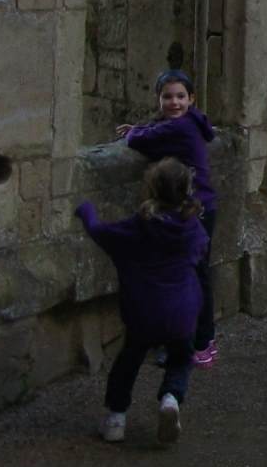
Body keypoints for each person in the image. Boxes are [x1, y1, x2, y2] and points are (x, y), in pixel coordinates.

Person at [75, 158, 210, 446]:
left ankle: (116, 418)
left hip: (144, 310)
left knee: (129, 360)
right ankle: (170, 399)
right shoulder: (192, 228)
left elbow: (102, 233)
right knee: (180, 358)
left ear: (151, 188)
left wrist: (86, 212)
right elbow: (200, 250)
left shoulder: (141, 226)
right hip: (182, 310)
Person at [118, 69, 219, 365]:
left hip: (195, 210)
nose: (174, 102)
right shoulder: (193, 120)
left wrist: (134, 131)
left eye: (180, 97)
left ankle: (198, 343)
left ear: (191, 98)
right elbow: (157, 132)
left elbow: (138, 141)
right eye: (167, 97)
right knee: (192, 275)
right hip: (201, 207)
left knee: (191, 276)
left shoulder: (180, 127)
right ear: (159, 99)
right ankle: (195, 341)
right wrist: (141, 128)